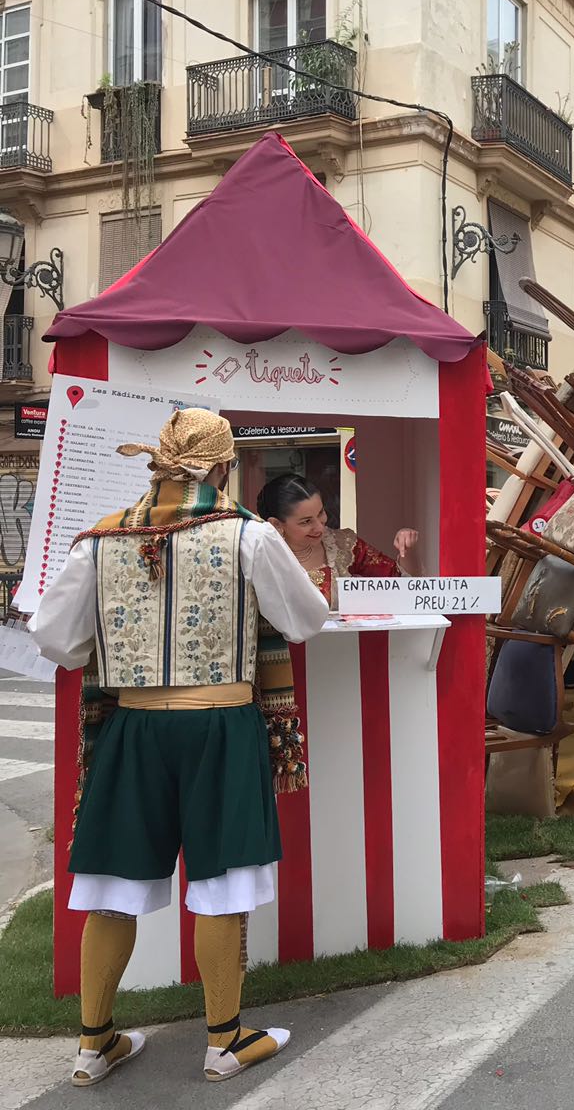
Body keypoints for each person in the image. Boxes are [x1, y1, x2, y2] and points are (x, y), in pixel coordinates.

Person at [31, 409, 330, 1086]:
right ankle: (223, 1042)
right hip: (220, 723)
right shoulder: (248, 534)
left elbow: (57, 639)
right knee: (221, 881)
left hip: (132, 727)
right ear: (223, 467)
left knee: (114, 884)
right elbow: (304, 620)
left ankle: (93, 1045)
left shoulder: (101, 539)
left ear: (159, 464)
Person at [256, 473, 420, 608]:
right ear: (276, 524)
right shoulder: (259, 556)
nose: (320, 527)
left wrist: (407, 549)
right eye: (306, 521)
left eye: (321, 513)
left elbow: (404, 585)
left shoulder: (343, 545)